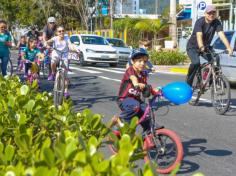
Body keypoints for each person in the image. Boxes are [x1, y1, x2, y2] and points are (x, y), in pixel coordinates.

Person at [186, 4, 233, 87]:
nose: (211, 15)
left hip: (206, 47)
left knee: (215, 59)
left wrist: (229, 47)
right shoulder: (200, 22)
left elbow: (221, 35)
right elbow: (199, 35)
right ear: (205, 14)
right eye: (209, 13)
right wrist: (201, 46)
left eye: (213, 13)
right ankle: (188, 83)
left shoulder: (217, 22)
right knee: (196, 63)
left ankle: (213, 81)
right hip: (193, 47)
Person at [117, 48, 161, 134]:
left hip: (136, 100)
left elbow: (146, 86)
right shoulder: (130, 70)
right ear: (133, 61)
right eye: (139, 61)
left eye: (144, 62)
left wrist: (156, 91)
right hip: (124, 99)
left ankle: (148, 130)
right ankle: (121, 119)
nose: (142, 64)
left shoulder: (143, 74)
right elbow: (133, 78)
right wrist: (137, 84)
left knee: (147, 110)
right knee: (135, 106)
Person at [45, 26, 78, 98]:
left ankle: (66, 92)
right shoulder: (55, 38)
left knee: (65, 76)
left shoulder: (67, 38)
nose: (61, 32)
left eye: (63, 31)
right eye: (59, 31)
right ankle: (53, 73)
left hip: (64, 56)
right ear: (57, 33)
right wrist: (46, 44)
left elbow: (70, 45)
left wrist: (76, 50)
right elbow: (48, 42)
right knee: (53, 61)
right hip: (56, 54)